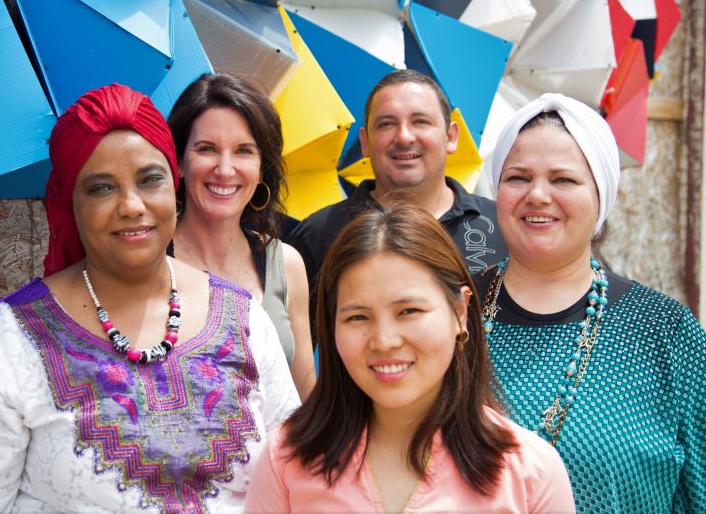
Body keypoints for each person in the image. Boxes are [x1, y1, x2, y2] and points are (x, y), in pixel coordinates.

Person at [0, 84, 299, 512]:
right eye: (101, 187)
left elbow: (295, 483)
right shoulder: (12, 341)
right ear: (69, 204)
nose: (132, 205)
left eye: (149, 179)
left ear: (173, 183)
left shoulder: (244, 319)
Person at [246, 204, 575, 513]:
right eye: (358, 317)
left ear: (460, 312)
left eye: (409, 311)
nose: (384, 341)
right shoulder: (287, 459)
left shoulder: (531, 473)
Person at [476, 92, 706, 512]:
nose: (538, 195)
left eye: (563, 179)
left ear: (602, 195)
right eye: (518, 178)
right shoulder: (450, 314)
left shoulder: (665, 333)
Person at [287, 69, 507, 336]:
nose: (403, 137)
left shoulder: (503, 225)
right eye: (386, 124)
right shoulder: (319, 234)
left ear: (450, 137)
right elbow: (293, 359)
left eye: (421, 122)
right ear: (365, 143)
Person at [168, 73, 314, 399]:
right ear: (178, 162)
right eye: (207, 149)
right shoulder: (149, 261)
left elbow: (304, 403)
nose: (224, 168)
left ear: (262, 168)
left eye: (243, 151)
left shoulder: (286, 264)